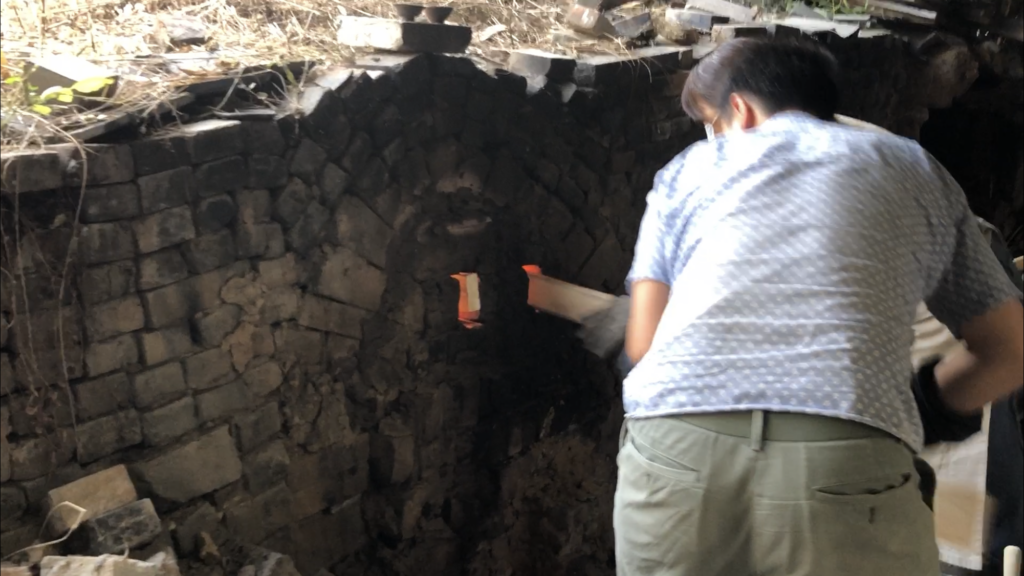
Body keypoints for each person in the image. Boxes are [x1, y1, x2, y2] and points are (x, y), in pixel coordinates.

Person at [613, 37, 1024, 576]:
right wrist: (930, 404)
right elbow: (1009, 351)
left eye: (712, 123)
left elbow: (643, 347)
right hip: (846, 454)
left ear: (740, 110)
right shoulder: (912, 166)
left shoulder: (688, 169)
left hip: (676, 453)